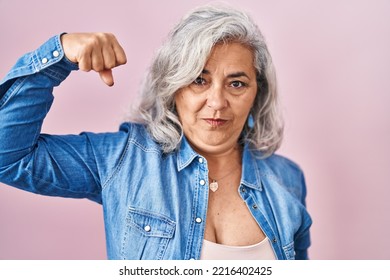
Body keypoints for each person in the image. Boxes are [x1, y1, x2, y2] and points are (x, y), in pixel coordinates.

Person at [0, 4, 312, 260]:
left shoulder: (287, 179)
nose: (217, 102)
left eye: (237, 83)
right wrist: (58, 55)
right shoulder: (123, 161)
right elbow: (8, 158)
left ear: (257, 93)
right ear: (173, 87)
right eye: (199, 80)